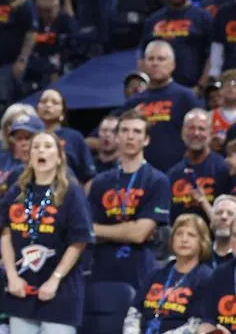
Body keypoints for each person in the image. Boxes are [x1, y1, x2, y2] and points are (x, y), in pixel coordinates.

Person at [0, 131, 93, 334]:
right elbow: (6, 235)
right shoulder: (17, 191)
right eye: (36, 147)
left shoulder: (71, 192)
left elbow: (78, 241)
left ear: (59, 157)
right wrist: (12, 277)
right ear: (29, 156)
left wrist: (55, 279)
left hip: (61, 289)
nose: (41, 150)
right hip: (22, 287)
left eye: (48, 146)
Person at [86, 109, 172, 290]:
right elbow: (87, 231)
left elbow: (139, 233)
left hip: (140, 270)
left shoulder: (158, 180)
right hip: (102, 269)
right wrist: (127, 230)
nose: (130, 136)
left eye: (137, 131)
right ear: (117, 137)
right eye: (125, 131)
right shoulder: (100, 182)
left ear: (146, 140)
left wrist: (100, 231)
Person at [122, 213, 211, 334]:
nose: (184, 239)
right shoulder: (155, 274)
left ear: (202, 242)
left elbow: (196, 324)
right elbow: (134, 312)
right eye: (179, 234)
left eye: (191, 235)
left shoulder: (206, 277)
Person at [129, 41, 202, 172]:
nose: (155, 63)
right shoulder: (133, 101)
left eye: (161, 59)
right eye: (151, 59)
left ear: (172, 65)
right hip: (141, 174)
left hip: (179, 172)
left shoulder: (186, 97)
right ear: (144, 64)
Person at [167, 109, 230, 221]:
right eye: (191, 128)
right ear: (182, 133)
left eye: (201, 129)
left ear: (210, 133)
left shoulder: (224, 170)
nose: (196, 133)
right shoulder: (172, 174)